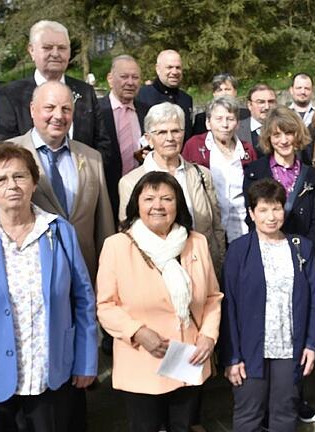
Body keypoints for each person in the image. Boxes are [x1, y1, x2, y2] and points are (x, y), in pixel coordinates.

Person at [0, 143, 97, 431]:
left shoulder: (59, 232)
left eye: (20, 176)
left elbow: (83, 300)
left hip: (51, 378)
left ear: (34, 183)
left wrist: (86, 361)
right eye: (0, 179)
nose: (12, 185)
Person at [97, 171, 223, 432]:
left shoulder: (195, 242)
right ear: (136, 204)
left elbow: (212, 297)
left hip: (188, 357)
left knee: (184, 425)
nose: (158, 206)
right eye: (149, 198)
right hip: (142, 358)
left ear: (178, 204)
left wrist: (208, 336)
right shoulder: (117, 246)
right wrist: (138, 332)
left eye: (167, 198)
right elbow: (106, 306)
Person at [0, 81, 115, 281]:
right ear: (33, 110)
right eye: (49, 107)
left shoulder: (92, 158)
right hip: (26, 277)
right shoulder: (2, 155)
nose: (58, 116)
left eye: (66, 109)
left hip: (83, 273)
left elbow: (104, 224)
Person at [220, 178, 315, 432]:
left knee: (285, 413)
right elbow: (228, 305)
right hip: (249, 350)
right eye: (263, 210)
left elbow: (313, 301)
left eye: (276, 208)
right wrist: (231, 356)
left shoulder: (301, 247)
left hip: (289, 347)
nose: (271, 216)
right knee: (248, 414)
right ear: (251, 213)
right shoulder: (238, 250)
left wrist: (311, 343)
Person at [118, 102, 225, 272]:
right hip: (153, 272)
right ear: (148, 139)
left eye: (176, 131)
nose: (170, 138)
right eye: (161, 132)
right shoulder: (131, 182)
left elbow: (216, 227)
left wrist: (219, 268)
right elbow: (127, 236)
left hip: (201, 268)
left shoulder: (202, 175)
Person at [0, 20, 110, 154]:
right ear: (32, 51)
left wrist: (88, 172)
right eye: (47, 47)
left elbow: (102, 143)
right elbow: (6, 150)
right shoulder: (11, 95)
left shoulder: (85, 92)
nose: (55, 54)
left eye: (62, 48)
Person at [243, 106, 315, 252]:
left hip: (304, 252)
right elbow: (251, 217)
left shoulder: (313, 176)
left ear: (298, 134)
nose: (284, 140)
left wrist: (305, 250)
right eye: (276, 135)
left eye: (289, 133)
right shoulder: (254, 173)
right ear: (268, 137)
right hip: (266, 251)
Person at [182, 96, 257, 244]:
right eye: (219, 119)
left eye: (230, 119)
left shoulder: (247, 149)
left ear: (237, 124)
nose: (225, 124)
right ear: (208, 123)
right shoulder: (194, 146)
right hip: (208, 227)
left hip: (241, 226)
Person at [99, 54, 149, 223]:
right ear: (110, 79)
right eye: (124, 76)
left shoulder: (147, 112)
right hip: (106, 195)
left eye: (135, 77)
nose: (130, 82)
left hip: (142, 193)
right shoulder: (95, 112)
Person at [137, 50, 194, 140]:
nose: (174, 72)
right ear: (158, 69)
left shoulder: (186, 99)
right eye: (169, 67)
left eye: (178, 68)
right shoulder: (141, 96)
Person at [237, 83, 277, 155]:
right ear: (249, 105)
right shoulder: (236, 130)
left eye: (271, 102)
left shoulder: (287, 127)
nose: (267, 107)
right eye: (261, 102)